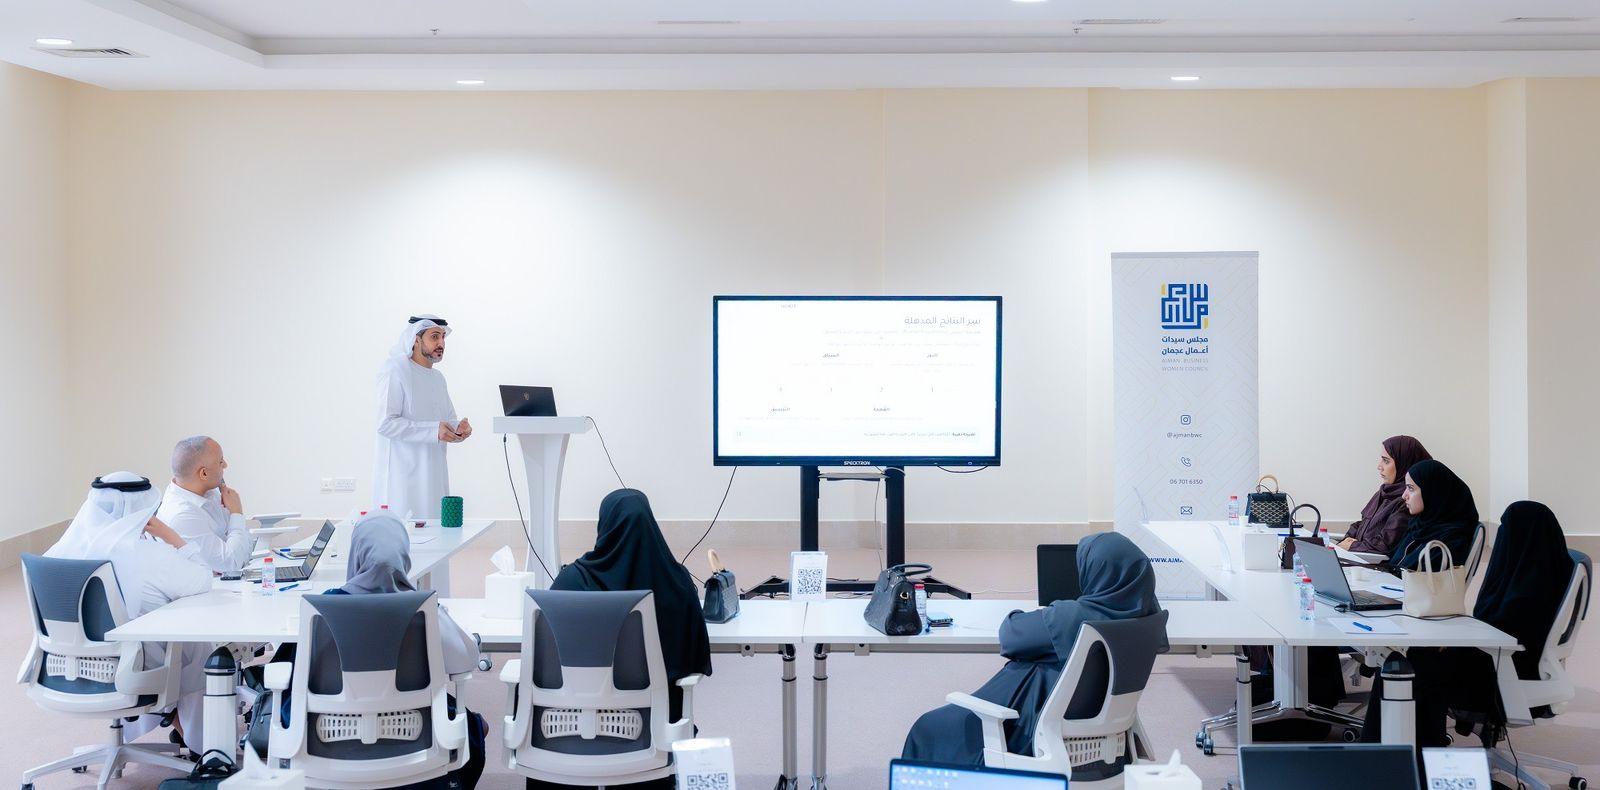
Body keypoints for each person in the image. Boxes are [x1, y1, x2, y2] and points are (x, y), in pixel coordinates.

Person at [901, 532, 1163, 766]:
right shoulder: (1149, 621)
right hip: (1105, 739)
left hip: (1028, 732)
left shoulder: (1070, 618)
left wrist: (1048, 613)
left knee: (927, 729)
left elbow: (1010, 634)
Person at [267, 513, 486, 789]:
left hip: (325, 733)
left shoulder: (324, 608)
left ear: (356, 555)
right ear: (404, 556)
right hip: (413, 733)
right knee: (475, 724)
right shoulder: (423, 610)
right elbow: (466, 660)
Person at [532, 489, 713, 790]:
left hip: (569, 726)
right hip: (650, 732)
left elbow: (544, 658)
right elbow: (691, 659)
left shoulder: (572, 582)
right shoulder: (678, 583)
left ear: (604, 526)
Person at [1363, 501, 1581, 746]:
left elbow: (1504, 631)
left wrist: (1456, 642)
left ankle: (1400, 749)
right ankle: (1410, 747)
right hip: (1497, 657)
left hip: (1504, 667)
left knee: (1409, 666)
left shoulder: (1530, 590)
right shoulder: (1538, 572)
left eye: (1507, 530)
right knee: (1416, 657)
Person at [46, 472, 215, 750]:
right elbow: (203, 579)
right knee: (200, 648)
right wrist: (172, 537)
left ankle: (176, 722)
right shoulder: (149, 555)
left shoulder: (58, 553)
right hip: (129, 667)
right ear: (145, 513)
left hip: (64, 667)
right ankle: (206, 745)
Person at [374, 314, 471, 520]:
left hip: (434, 475)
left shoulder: (438, 378)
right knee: (407, 533)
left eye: (443, 337)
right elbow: (386, 423)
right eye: (434, 337)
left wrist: (459, 429)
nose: (441, 343)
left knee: (435, 531)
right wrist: (434, 431)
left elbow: (447, 420)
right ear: (416, 340)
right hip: (404, 478)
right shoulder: (396, 370)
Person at [157, 435, 253, 572]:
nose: (225, 465)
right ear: (204, 474)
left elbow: (246, 545)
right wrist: (236, 513)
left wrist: (237, 550)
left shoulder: (210, 492)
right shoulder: (182, 516)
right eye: (220, 462)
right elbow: (231, 564)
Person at [1340, 436, 1431, 555]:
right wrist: (1346, 541)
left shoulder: (1409, 501)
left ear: (1404, 463)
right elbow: (1361, 524)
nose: (1379, 466)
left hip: (1376, 564)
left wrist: (1352, 546)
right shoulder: (1383, 492)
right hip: (1359, 558)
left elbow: (1385, 546)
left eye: (1386, 461)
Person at [1386, 458, 1480, 572]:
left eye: (1410, 488)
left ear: (1432, 492)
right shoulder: (1420, 526)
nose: (1404, 495)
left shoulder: (1451, 540)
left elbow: (1424, 579)